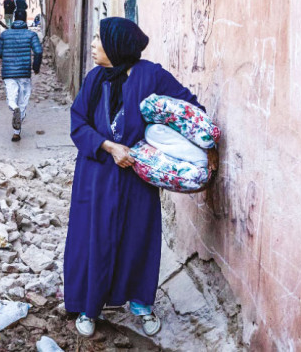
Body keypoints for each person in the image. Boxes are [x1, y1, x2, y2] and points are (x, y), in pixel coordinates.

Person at [64, 17, 205, 338]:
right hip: (96, 176)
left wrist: (163, 146)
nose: (93, 44)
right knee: (93, 238)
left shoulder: (151, 76)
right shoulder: (94, 79)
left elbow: (189, 110)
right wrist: (109, 146)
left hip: (137, 179)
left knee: (137, 237)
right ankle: (90, 306)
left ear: (117, 45)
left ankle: (141, 303)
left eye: (99, 39)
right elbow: (77, 123)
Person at [0, 10, 43, 141]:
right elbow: (38, 51)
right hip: (24, 73)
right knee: (23, 100)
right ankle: (16, 132)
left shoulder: (5, 34)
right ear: (25, 19)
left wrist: (7, 56)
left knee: (11, 97)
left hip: (9, 72)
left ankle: (13, 107)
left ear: (14, 19)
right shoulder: (31, 35)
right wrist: (35, 67)